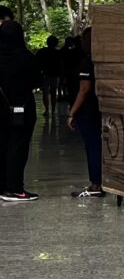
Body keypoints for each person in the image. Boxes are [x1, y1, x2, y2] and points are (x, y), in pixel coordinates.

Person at [0, 18, 42, 201]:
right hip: (21, 108)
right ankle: (15, 188)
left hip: (0, 107)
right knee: (18, 148)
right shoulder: (26, 57)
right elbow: (37, 81)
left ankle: (2, 186)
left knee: (2, 146)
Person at [66, 27, 104, 198]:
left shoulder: (86, 62)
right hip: (98, 109)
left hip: (87, 111)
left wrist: (71, 113)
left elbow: (84, 89)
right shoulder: (101, 61)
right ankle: (98, 182)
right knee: (96, 146)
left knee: (93, 147)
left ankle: (95, 185)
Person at [35, 36, 60, 117]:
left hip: (45, 75)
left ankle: (47, 110)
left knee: (45, 93)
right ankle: (52, 110)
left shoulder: (42, 51)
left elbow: (37, 63)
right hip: (54, 75)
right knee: (53, 93)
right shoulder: (57, 53)